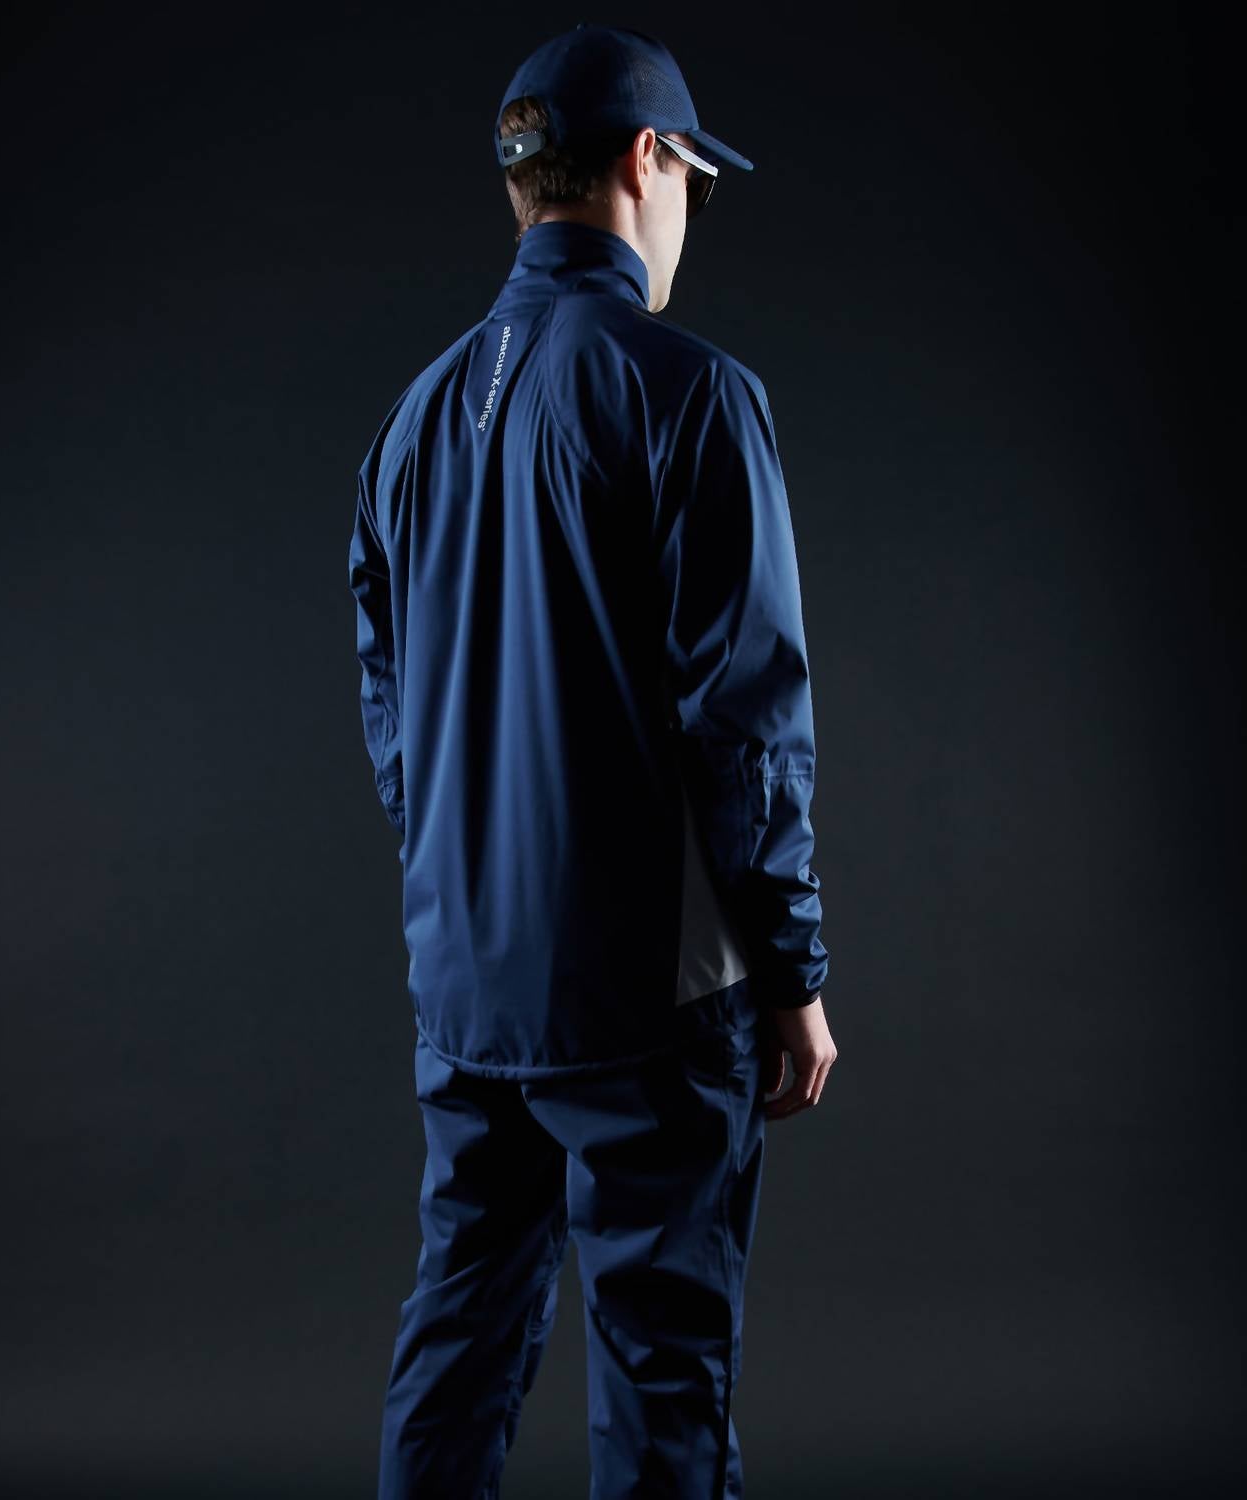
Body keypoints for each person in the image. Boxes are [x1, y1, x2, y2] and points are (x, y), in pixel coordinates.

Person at [348, 22, 839, 1498]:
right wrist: (794, 970)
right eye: (694, 175)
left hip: (467, 984)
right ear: (646, 159)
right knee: (663, 1378)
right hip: (645, 1002)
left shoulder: (412, 421)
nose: (692, 207)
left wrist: (455, 879)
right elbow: (744, 721)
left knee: (457, 1348)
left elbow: (391, 708)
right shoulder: (692, 394)